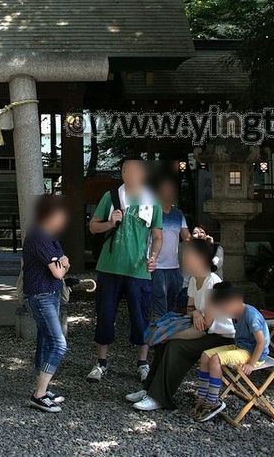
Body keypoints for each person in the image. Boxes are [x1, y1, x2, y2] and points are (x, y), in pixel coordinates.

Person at [127, 238, 234, 411]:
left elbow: (205, 327)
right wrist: (197, 312)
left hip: (220, 338)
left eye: (188, 255)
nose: (183, 258)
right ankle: (149, 390)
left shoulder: (212, 282)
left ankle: (160, 398)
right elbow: (190, 310)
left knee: (175, 346)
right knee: (164, 345)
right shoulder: (194, 280)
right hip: (204, 331)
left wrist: (168, 334)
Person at [87, 156, 163, 383]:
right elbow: (92, 227)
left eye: (132, 170)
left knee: (141, 318)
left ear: (143, 174)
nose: (127, 175)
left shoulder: (152, 200)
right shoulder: (110, 197)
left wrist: (154, 257)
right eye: (124, 171)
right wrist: (110, 223)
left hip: (139, 269)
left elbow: (157, 236)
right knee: (104, 315)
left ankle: (142, 362)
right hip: (109, 267)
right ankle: (101, 362)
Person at [193, 281, 271, 422]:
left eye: (223, 308)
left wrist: (251, 364)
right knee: (205, 355)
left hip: (253, 353)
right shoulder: (237, 312)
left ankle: (213, 401)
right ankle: (203, 396)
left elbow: (261, 342)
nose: (223, 312)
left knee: (216, 359)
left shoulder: (250, 316)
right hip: (240, 347)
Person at [22, 194, 71, 413]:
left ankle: (43, 388)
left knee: (46, 340)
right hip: (41, 295)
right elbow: (59, 269)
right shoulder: (38, 236)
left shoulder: (49, 236)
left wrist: (62, 266)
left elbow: (63, 262)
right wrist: (62, 267)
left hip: (50, 293)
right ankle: (39, 394)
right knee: (58, 343)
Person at [150, 177, 191, 324]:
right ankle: (159, 336)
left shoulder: (178, 214)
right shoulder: (153, 212)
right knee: (159, 300)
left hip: (174, 266)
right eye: (165, 191)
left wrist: (200, 238)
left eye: (171, 191)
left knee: (173, 301)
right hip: (157, 265)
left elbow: (186, 236)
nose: (168, 194)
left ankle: (169, 335)